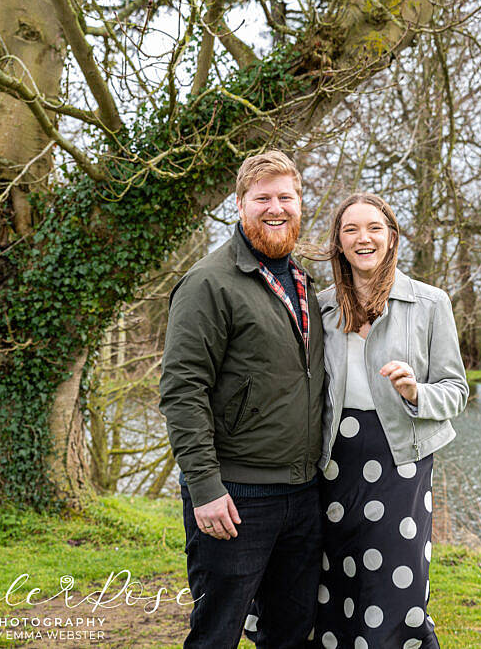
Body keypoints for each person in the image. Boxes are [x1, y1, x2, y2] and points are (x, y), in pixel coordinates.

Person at [160, 150, 325, 649]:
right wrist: (206, 487)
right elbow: (182, 389)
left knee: (290, 635)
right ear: (239, 204)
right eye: (263, 198)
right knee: (217, 635)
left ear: (300, 203)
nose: (275, 208)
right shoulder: (209, 282)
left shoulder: (305, 281)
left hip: (303, 493)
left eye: (286, 197)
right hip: (236, 496)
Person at [312, 193, 469, 649]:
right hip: (333, 463)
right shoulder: (320, 308)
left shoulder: (429, 303)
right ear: (339, 243)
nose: (364, 238)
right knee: (337, 578)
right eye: (351, 230)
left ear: (392, 237)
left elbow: (457, 391)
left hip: (402, 460)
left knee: (395, 583)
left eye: (374, 228)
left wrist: (416, 391)